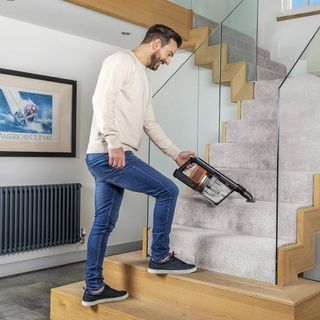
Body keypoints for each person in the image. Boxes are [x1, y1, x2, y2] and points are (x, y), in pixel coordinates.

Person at [82, 24, 197, 308]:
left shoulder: (143, 77)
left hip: (108, 154)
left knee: (104, 223)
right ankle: (159, 256)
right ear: (156, 44)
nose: (169, 61)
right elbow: (101, 100)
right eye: (169, 54)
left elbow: (149, 123)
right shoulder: (120, 60)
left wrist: (174, 153)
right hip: (110, 153)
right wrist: (114, 142)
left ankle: (94, 288)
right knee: (168, 190)